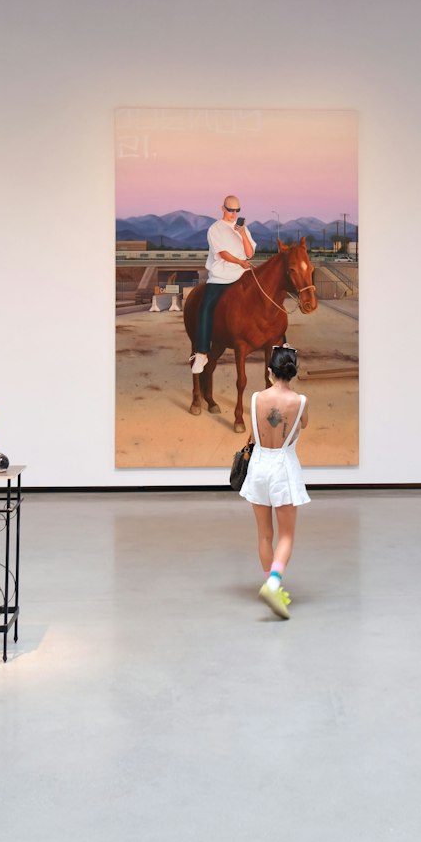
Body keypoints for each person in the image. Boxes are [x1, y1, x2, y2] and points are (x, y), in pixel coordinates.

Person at [239, 345, 309, 620]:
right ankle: (273, 584)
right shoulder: (301, 402)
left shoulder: (256, 398)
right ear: (292, 373)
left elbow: (254, 431)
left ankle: (273, 586)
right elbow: (303, 425)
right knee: (287, 535)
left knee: (264, 535)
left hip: (258, 466)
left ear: (270, 372)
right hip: (283, 467)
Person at [190, 195, 256, 374]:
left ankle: (282, 353)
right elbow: (222, 254)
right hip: (220, 277)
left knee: (267, 300)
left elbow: (249, 253)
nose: (234, 214)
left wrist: (242, 234)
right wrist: (240, 262)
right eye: (230, 210)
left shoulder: (244, 229)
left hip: (243, 275)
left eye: (237, 210)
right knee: (205, 308)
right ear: (222, 208)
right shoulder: (215, 229)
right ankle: (202, 352)